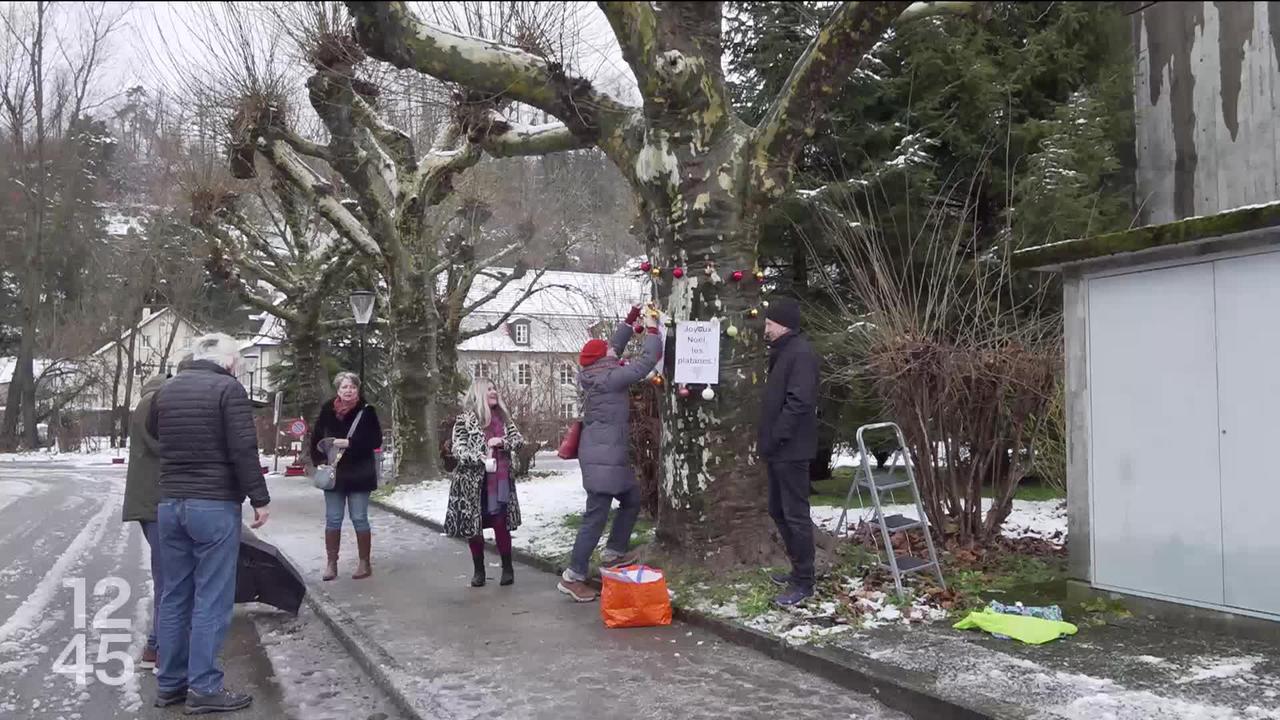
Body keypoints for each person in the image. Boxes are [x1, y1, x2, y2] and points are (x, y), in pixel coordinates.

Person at [148, 334, 271, 714]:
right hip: (213, 505)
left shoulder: (165, 391)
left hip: (170, 503)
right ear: (230, 361)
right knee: (212, 598)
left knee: (174, 595)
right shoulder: (228, 390)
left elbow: (155, 434)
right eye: (239, 361)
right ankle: (203, 688)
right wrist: (259, 497)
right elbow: (242, 448)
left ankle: (170, 683)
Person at [557, 305, 661, 602]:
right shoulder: (610, 378)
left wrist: (629, 323)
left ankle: (614, 552)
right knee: (596, 516)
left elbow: (612, 348)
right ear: (605, 360)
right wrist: (652, 330)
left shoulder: (595, 371)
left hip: (604, 454)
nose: (613, 352)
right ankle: (573, 576)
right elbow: (644, 364)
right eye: (609, 352)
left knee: (631, 498)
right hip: (604, 458)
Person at [758, 297, 820, 607]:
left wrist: (777, 436)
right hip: (778, 450)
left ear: (782, 324)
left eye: (769, 323)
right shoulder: (783, 352)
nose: (765, 328)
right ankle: (797, 569)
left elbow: (799, 402)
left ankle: (804, 581)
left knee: (795, 515)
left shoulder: (801, 354)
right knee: (778, 511)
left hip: (791, 449)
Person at [444, 378, 525, 587]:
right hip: (473, 482)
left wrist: (503, 442)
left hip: (500, 480)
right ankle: (479, 570)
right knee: (475, 526)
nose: (493, 392)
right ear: (479, 393)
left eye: (494, 388)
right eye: (488, 389)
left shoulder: (504, 418)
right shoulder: (465, 420)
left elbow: (519, 440)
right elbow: (458, 448)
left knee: (500, 522)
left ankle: (507, 568)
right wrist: (479, 458)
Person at [309, 372, 383, 581]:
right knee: (333, 519)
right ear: (337, 390)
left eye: (352, 387)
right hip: (334, 474)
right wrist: (320, 461)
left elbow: (375, 440)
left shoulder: (367, 411)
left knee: (359, 518)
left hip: (360, 473)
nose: (348, 391)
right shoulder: (327, 410)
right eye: (344, 387)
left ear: (357, 390)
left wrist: (350, 443)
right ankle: (332, 563)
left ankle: (364, 562)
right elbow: (315, 438)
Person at [121, 373, 168, 670]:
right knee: (169, 579)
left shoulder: (143, 405)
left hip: (147, 502)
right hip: (158, 501)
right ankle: (160, 648)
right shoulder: (155, 407)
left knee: (166, 576)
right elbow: (166, 448)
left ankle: (156, 647)